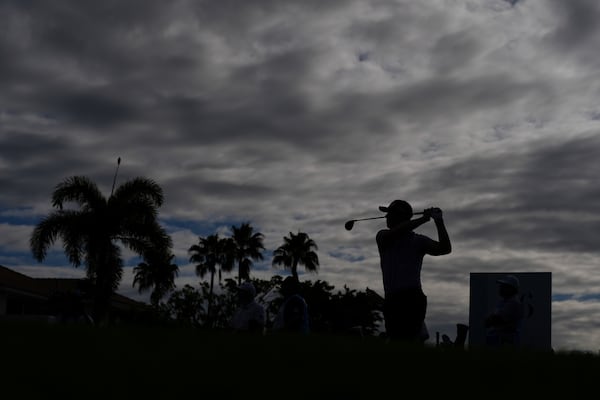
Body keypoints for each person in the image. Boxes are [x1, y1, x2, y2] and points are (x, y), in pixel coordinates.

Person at [375, 199, 451, 344]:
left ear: (399, 216)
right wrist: (424, 218)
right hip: (392, 297)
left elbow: (445, 248)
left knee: (408, 342)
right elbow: (398, 231)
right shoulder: (383, 236)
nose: (386, 218)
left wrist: (439, 221)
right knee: (397, 340)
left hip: (412, 297)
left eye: (389, 214)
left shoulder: (418, 241)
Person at [484, 274, 524, 348]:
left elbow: (496, 320)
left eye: (504, 286)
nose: (500, 288)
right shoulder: (504, 301)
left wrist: (490, 320)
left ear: (511, 288)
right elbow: (491, 318)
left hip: (506, 343)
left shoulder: (514, 302)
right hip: (499, 340)